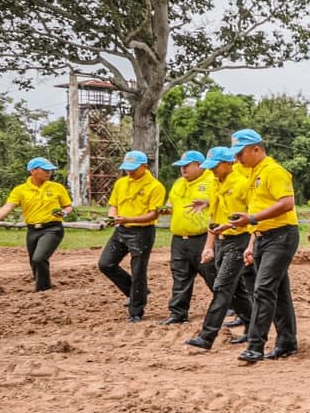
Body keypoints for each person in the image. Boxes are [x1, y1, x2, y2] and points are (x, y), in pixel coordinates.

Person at [225, 128, 299, 364]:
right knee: (278, 291)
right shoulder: (252, 172)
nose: (237, 159)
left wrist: (253, 220)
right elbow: (257, 210)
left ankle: (255, 345)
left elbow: (287, 203)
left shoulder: (274, 172)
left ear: (256, 149)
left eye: (241, 153)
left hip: (281, 236)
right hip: (263, 236)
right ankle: (287, 341)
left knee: (263, 288)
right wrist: (252, 239)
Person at [186, 146, 255, 351]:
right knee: (237, 291)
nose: (212, 170)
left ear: (228, 163)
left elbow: (254, 218)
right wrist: (209, 247)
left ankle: (207, 336)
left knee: (222, 287)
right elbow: (214, 220)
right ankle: (253, 329)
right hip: (222, 242)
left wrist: (250, 246)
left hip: (239, 240)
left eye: (215, 166)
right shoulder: (216, 184)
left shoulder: (243, 184)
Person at [0, 157, 73, 291]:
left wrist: (64, 213)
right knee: (34, 262)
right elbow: (7, 207)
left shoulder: (57, 188)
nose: (49, 173)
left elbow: (68, 206)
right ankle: (42, 287)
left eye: (50, 170)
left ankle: (43, 290)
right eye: (45, 170)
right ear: (33, 171)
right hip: (32, 230)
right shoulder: (20, 190)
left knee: (39, 258)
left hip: (53, 228)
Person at [99, 150, 166, 321]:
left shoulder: (155, 187)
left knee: (138, 271)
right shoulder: (121, 183)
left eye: (133, 169)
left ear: (145, 166)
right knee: (106, 264)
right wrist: (113, 216)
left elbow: (153, 214)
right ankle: (137, 292)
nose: (129, 171)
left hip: (142, 231)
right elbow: (113, 204)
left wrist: (128, 218)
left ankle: (136, 311)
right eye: (127, 168)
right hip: (121, 229)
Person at [163, 150, 217, 326]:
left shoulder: (212, 181)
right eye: (181, 167)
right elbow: (171, 203)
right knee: (180, 275)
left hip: (202, 236)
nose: (182, 170)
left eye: (186, 166)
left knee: (211, 273)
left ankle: (231, 305)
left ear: (199, 165)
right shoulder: (179, 183)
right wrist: (165, 208)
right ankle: (178, 312)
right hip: (179, 237)